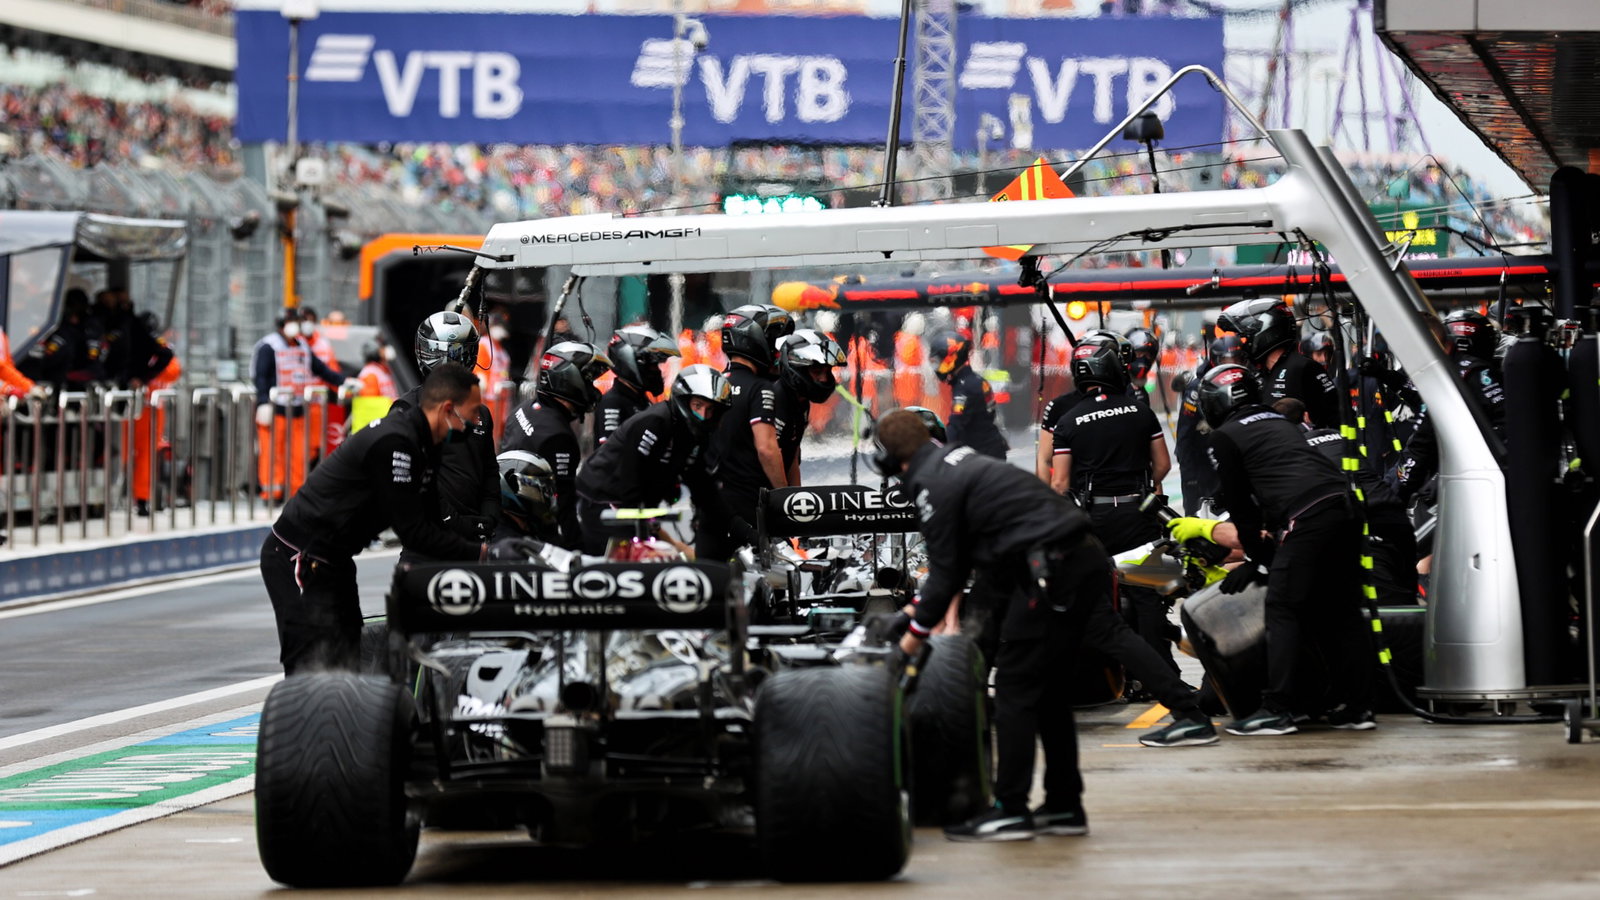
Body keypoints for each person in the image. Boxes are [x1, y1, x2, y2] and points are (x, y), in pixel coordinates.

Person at [874, 409, 1108, 842]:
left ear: (890, 461)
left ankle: (1010, 808)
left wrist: (907, 648)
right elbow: (980, 564)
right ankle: (1063, 805)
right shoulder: (961, 460)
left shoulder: (930, 483)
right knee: (1050, 693)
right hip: (1081, 560)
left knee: (1016, 689)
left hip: (1051, 569)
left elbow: (945, 575)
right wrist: (917, 615)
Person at [260, 363, 492, 675]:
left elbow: (434, 520)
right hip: (298, 554)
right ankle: (301, 721)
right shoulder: (396, 443)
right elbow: (413, 530)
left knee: (349, 657)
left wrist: (484, 546)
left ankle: (345, 720)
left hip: (336, 558)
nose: (477, 422)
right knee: (310, 663)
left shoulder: (427, 446)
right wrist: (480, 553)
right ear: (448, 409)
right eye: (474, 413)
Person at [1180, 363, 1373, 735]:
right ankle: (1358, 706)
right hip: (1345, 509)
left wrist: (1256, 559)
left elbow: (1243, 508)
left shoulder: (1227, 437)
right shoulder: (1279, 423)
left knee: (1283, 607)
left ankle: (1278, 709)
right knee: (1342, 610)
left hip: (1309, 516)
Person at [575, 365, 734, 555]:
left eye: (710, 409)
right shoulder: (655, 421)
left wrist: (740, 528)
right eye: (698, 406)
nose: (703, 415)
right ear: (684, 400)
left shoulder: (693, 435)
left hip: (635, 507)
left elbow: (702, 485)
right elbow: (631, 479)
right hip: (603, 501)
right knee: (638, 563)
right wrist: (650, 530)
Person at [1276, 397, 1417, 607]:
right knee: (1406, 592)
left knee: (1380, 609)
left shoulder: (1287, 452)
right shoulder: (1337, 436)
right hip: (1392, 514)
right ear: (1307, 416)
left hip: (1351, 524)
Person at [389, 311, 503, 554]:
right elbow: (408, 481)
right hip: (429, 539)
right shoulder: (408, 408)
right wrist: (454, 522)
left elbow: (489, 469)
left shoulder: (480, 412)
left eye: (459, 355)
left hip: (475, 538)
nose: (452, 363)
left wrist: (490, 515)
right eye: (444, 355)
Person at [1050, 340, 1171, 554]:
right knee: (1146, 579)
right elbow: (1162, 464)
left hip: (1095, 515)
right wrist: (1146, 485)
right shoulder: (1141, 411)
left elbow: (1060, 484)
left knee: (1100, 581)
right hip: (1139, 510)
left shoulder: (1066, 422)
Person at [699, 305, 793, 561]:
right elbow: (767, 448)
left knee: (715, 585)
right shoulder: (760, 388)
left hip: (712, 506)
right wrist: (786, 498)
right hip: (749, 505)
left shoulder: (711, 386)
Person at [500, 341, 612, 549]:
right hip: (533, 533)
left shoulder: (524, 409)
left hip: (506, 519)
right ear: (568, 378)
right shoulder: (558, 436)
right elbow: (563, 506)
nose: (593, 389)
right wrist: (576, 551)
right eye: (588, 381)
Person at [1393, 309, 1505, 502]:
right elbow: (1422, 438)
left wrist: (1394, 496)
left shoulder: (1473, 373)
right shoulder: (1444, 373)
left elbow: (1506, 425)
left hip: (1486, 482)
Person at [251, 311, 343, 501]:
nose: (294, 326)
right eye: (290, 322)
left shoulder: (302, 346)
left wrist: (343, 381)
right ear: (281, 324)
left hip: (298, 408)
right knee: (272, 453)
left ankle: (296, 492)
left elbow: (321, 369)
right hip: (275, 408)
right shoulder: (269, 346)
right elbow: (260, 376)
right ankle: (272, 493)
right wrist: (262, 402)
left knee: (299, 455)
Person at [1216, 299, 1341, 429]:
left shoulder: (1303, 367)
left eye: (1246, 336)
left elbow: (1336, 416)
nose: (1243, 342)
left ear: (1266, 332)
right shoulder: (1258, 374)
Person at [1173, 335, 1244, 515]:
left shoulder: (1248, 383)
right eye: (1225, 360)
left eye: (1236, 360)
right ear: (1214, 360)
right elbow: (1185, 435)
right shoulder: (1197, 389)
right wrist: (1189, 476)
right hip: (1202, 464)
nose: (1231, 365)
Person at [771, 329, 844, 486]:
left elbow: (792, 456)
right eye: (817, 371)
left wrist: (795, 496)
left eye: (827, 371)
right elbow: (769, 456)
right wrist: (784, 499)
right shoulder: (775, 399)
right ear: (797, 369)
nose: (824, 379)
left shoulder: (801, 401)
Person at [596, 324, 680, 445]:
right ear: (629, 360)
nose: (658, 371)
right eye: (652, 365)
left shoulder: (640, 399)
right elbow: (610, 453)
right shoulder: (612, 401)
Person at [930, 330, 1009, 459]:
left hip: (982, 455)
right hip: (990, 448)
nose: (937, 367)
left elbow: (955, 427)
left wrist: (940, 454)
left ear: (951, 357)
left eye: (938, 361)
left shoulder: (964, 388)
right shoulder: (975, 380)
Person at [495, 449, 562, 545]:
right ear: (513, 485)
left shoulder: (537, 526)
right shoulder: (501, 539)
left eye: (548, 487)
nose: (548, 495)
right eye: (538, 487)